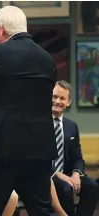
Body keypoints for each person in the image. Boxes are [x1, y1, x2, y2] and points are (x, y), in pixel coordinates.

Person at [0, 6, 57, 215]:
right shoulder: (46, 58)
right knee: (40, 209)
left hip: (2, 148)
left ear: (1, 29)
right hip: (40, 149)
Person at [51, 80, 99, 216]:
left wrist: (76, 174)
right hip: (48, 175)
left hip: (68, 174)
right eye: (54, 97)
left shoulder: (72, 126)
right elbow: (38, 158)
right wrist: (60, 176)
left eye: (62, 98)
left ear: (69, 102)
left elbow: (78, 157)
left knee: (92, 186)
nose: (57, 101)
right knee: (66, 188)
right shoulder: (39, 124)